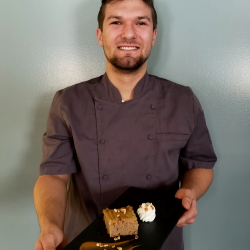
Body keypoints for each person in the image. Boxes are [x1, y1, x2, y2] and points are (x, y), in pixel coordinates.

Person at [33, 0, 217, 249]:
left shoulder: (183, 100)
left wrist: (191, 192)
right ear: (100, 35)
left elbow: (201, 165)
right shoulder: (68, 102)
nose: (128, 33)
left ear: (153, 36)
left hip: (162, 241)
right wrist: (51, 226)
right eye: (116, 22)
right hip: (89, 242)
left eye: (140, 22)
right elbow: (53, 175)